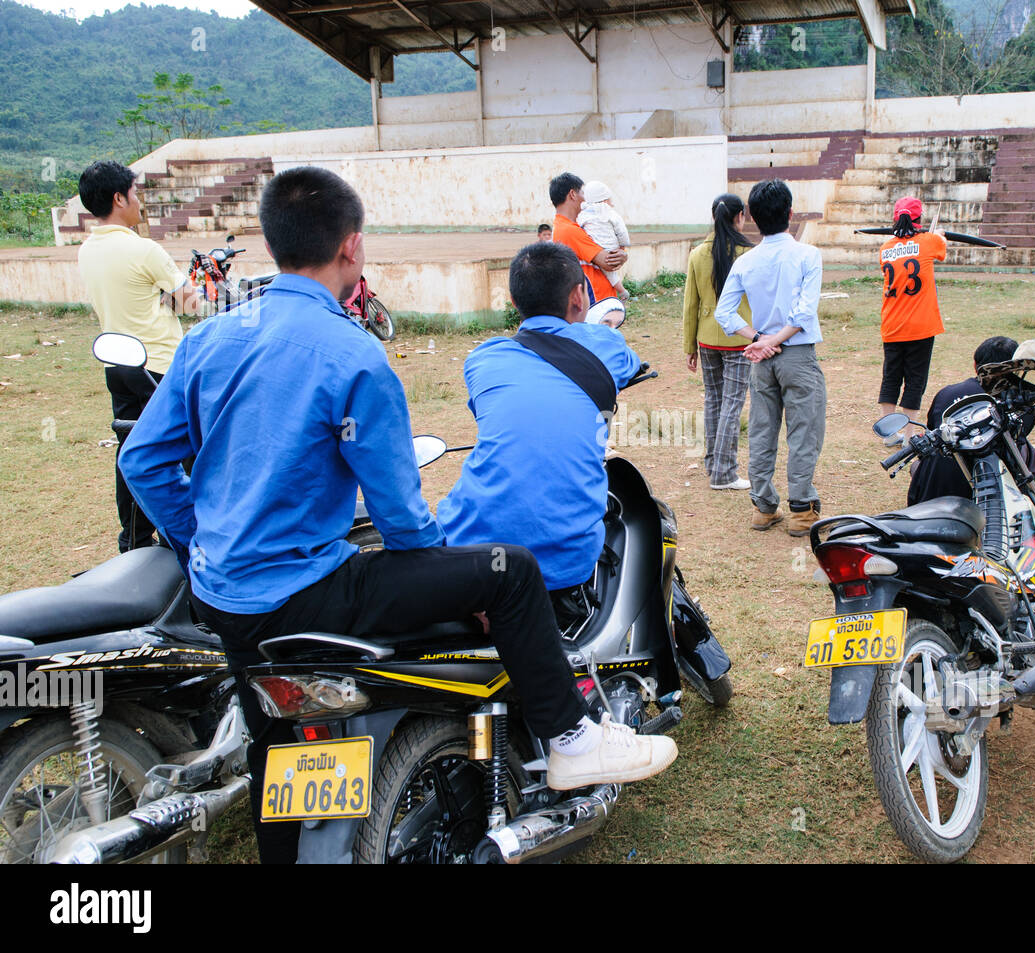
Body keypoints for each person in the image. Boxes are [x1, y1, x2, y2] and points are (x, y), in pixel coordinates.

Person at [118, 168, 675, 863]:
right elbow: (403, 521)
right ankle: (571, 739)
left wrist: (199, 542)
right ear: (352, 247)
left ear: (274, 240)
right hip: (316, 594)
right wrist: (453, 572)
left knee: (273, 746)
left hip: (224, 600)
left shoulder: (210, 339)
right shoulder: (353, 353)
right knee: (509, 572)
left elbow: (142, 460)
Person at [438, 241, 641, 631]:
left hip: (468, 548)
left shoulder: (483, 358)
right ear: (579, 295)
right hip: (565, 562)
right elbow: (629, 364)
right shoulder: (604, 345)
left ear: (514, 300)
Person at [77, 159, 202, 552]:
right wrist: (176, 295)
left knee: (131, 447)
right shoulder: (144, 249)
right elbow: (192, 302)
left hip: (118, 365)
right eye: (134, 193)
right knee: (183, 451)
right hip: (160, 366)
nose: (139, 201)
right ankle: (190, 533)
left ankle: (133, 538)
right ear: (118, 198)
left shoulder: (87, 250)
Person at [713, 179, 826, 537]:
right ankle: (801, 510)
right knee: (803, 433)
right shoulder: (808, 255)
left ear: (753, 220)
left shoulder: (747, 261)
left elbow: (724, 314)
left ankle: (763, 507)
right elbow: (804, 313)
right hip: (797, 355)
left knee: (762, 431)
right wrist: (773, 340)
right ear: (790, 214)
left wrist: (760, 340)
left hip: (762, 359)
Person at [907, 336, 1035, 506]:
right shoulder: (1024, 406)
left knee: (921, 462)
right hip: (986, 498)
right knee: (1027, 451)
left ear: (976, 366)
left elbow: (932, 431)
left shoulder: (947, 393)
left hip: (927, 496)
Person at [683, 193, 755, 492]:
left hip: (706, 339)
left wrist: (689, 347)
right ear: (740, 216)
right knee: (731, 405)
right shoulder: (747, 253)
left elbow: (690, 304)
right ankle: (723, 473)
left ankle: (714, 462)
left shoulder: (698, 253)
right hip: (739, 338)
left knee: (714, 401)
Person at [877, 196, 947, 445]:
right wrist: (939, 234)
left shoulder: (885, 248)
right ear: (919, 219)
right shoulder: (929, 241)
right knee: (915, 379)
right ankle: (909, 434)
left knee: (891, 377)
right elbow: (941, 251)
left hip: (892, 324)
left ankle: (888, 433)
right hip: (920, 325)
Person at [549, 172, 627, 303]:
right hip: (596, 302)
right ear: (573, 194)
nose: (586, 199)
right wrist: (623, 254)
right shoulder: (569, 230)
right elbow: (609, 262)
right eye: (583, 193)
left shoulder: (566, 227)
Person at [576, 180, 632, 301]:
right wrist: (622, 247)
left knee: (609, 273)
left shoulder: (583, 214)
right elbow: (621, 231)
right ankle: (622, 291)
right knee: (611, 271)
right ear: (605, 200)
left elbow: (578, 227)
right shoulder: (612, 213)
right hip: (612, 247)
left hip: (597, 248)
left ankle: (621, 290)